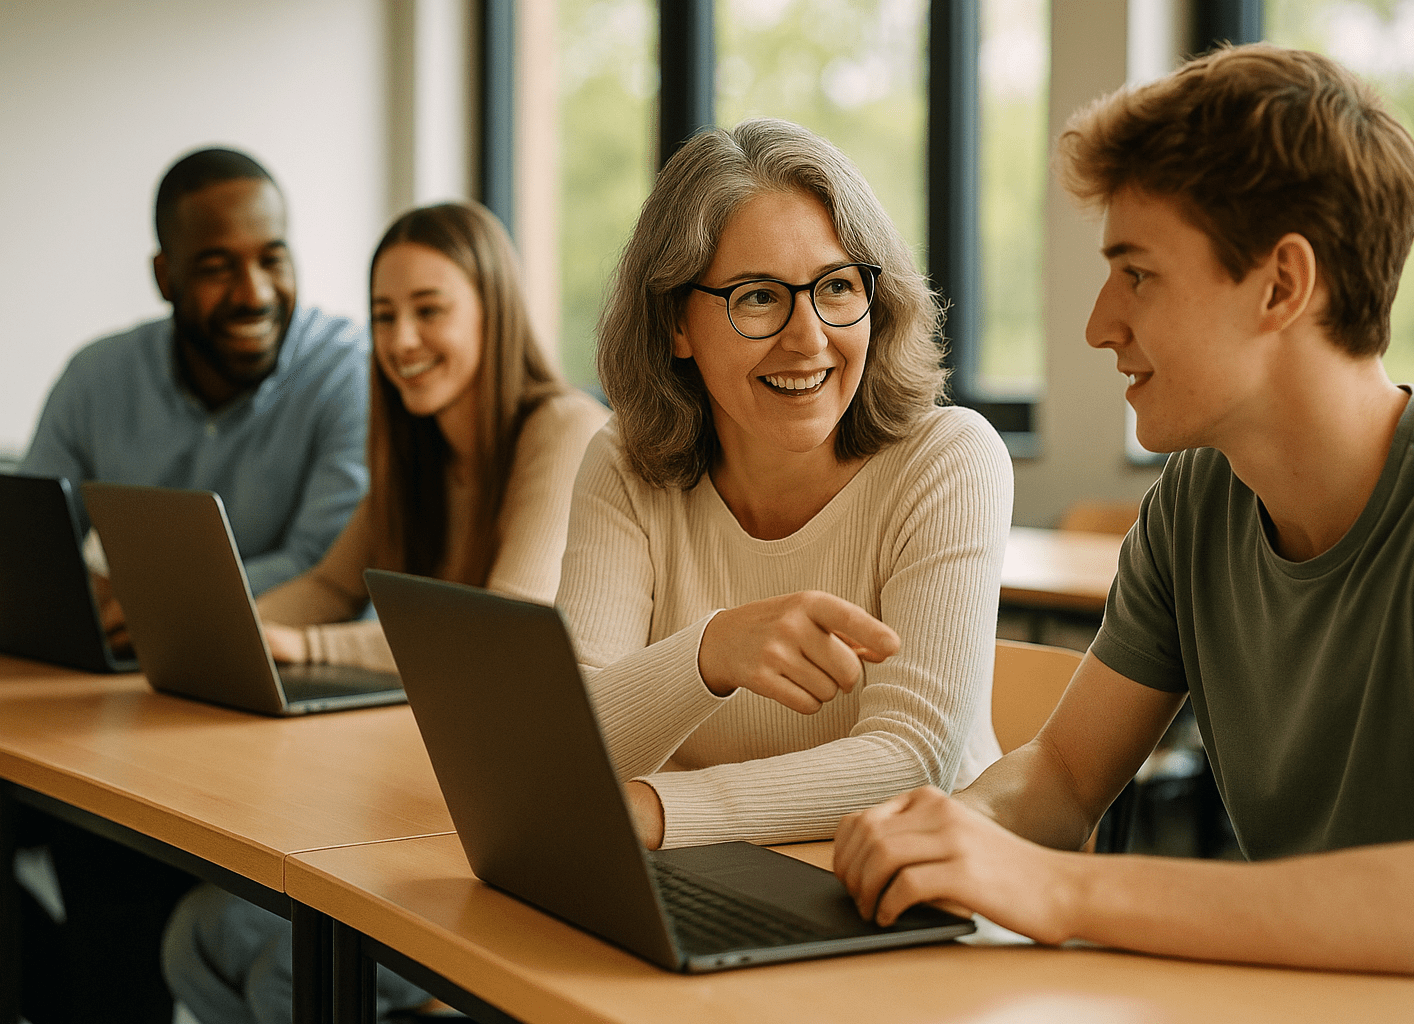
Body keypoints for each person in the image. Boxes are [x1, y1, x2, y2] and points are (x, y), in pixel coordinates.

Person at [834, 43, 1414, 999]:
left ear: (1282, 285)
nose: (1098, 323)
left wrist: (1067, 891)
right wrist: (938, 840)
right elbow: (1067, 776)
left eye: (1138, 273)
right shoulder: (1200, 497)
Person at [160, 200, 609, 1024]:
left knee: (287, 977)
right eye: (384, 316)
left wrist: (299, 644)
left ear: (493, 310)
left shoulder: (567, 430)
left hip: (511, 830)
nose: (402, 341)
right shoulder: (416, 445)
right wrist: (230, 625)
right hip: (407, 799)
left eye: (429, 311)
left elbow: (494, 638)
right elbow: (330, 586)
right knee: (195, 937)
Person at [555, 117, 1012, 853]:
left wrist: (654, 812)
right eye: (759, 297)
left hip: (911, 900)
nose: (808, 339)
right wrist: (710, 653)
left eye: (835, 286)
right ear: (676, 323)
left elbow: (909, 764)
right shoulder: (623, 461)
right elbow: (568, 742)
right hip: (705, 882)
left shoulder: (950, 458)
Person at [14, 147, 370, 1024]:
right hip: (120, 720)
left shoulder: (347, 373)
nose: (252, 291)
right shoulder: (99, 376)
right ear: (165, 274)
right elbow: (31, 547)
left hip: (284, 722)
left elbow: (329, 567)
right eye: (216, 266)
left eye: (271, 256)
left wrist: (157, 604)